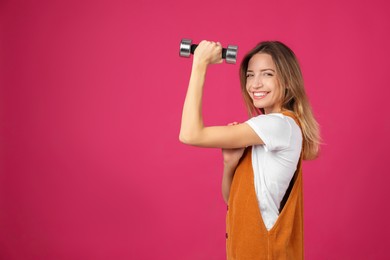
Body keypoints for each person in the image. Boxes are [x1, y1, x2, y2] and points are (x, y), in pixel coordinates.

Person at [179, 40, 320, 259]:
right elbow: (232, 200)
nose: (255, 83)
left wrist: (200, 64)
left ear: (288, 81)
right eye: (250, 75)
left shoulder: (277, 125)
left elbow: (189, 134)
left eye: (267, 74)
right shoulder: (265, 131)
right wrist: (229, 163)